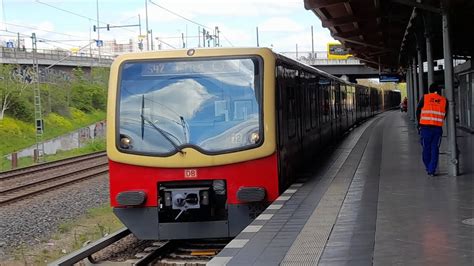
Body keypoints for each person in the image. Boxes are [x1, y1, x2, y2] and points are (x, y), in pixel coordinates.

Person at [416, 83, 448, 176]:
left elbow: (418, 110)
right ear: (439, 91)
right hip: (437, 129)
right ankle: (431, 169)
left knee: (426, 148)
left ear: (429, 90)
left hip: (425, 128)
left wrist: (419, 123)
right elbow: (444, 114)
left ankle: (428, 167)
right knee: (435, 149)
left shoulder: (425, 98)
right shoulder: (444, 100)